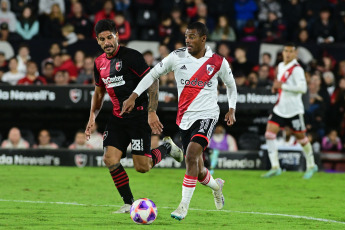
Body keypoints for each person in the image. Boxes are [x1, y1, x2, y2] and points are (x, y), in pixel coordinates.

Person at [121, 22, 237, 221]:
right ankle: (217, 186)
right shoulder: (177, 56)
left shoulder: (218, 62)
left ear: (203, 39)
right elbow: (153, 74)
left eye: (192, 36)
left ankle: (183, 207)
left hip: (207, 115)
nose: (187, 40)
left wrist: (232, 109)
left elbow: (231, 85)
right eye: (186, 36)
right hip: (185, 118)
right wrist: (133, 95)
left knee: (191, 156)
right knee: (198, 170)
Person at [84, 19, 183, 214]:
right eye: (102, 39)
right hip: (117, 118)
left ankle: (166, 147)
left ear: (117, 36)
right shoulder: (99, 63)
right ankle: (129, 203)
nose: (107, 42)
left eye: (110, 37)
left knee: (142, 167)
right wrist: (92, 117)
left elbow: (153, 81)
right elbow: (98, 93)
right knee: (110, 159)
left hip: (138, 118)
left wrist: (152, 111)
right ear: (98, 41)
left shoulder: (132, 57)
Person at [262, 42, 318, 179]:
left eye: (290, 51)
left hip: (294, 110)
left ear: (295, 53)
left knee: (302, 139)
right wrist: (277, 87)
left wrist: (283, 86)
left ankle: (311, 165)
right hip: (280, 108)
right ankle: (275, 167)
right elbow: (282, 85)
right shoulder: (281, 66)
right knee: (269, 135)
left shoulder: (297, 69)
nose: (287, 54)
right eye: (285, 51)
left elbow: (303, 89)